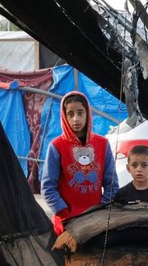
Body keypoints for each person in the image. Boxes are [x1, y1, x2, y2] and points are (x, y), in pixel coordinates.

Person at [41, 91, 118, 234]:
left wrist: (102, 208)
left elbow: (111, 183)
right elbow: (48, 187)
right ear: (64, 116)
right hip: (66, 223)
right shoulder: (56, 146)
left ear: (88, 113)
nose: (76, 119)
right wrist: (63, 212)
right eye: (70, 114)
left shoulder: (103, 144)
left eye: (80, 113)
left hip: (96, 221)